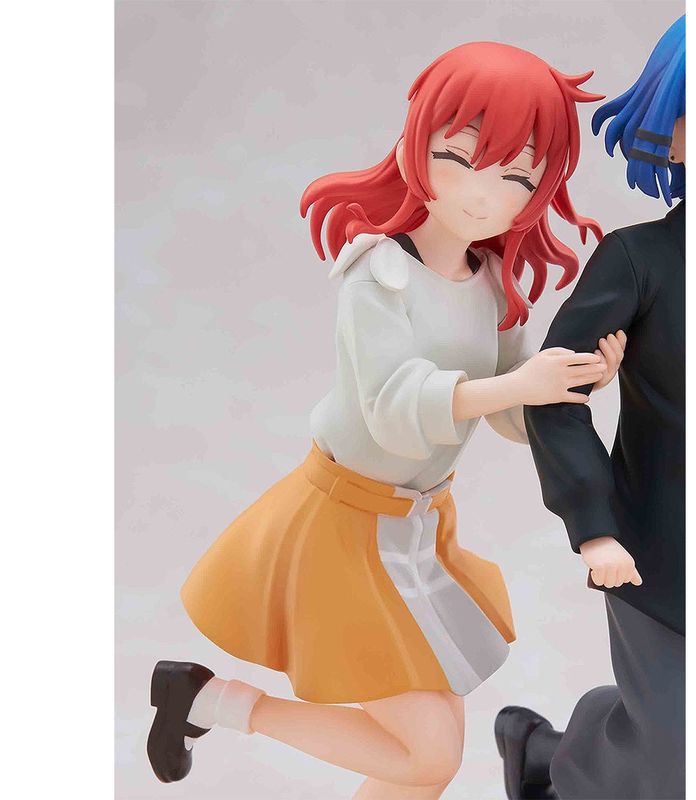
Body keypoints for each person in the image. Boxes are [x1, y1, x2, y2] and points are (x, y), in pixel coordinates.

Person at [145, 42, 625, 800]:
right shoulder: (379, 272)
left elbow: (509, 417)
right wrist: (516, 384)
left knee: (422, 764)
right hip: (342, 526)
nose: (483, 195)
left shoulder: (491, 280)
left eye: (517, 177)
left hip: (417, 530)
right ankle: (211, 702)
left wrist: (573, 382)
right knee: (427, 757)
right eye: (459, 158)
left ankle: (202, 701)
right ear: (415, 144)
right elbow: (394, 408)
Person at [495, 15, 686, 800]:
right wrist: (593, 522)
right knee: (679, 757)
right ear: (670, 134)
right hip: (664, 552)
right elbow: (555, 392)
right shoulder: (638, 261)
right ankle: (558, 752)